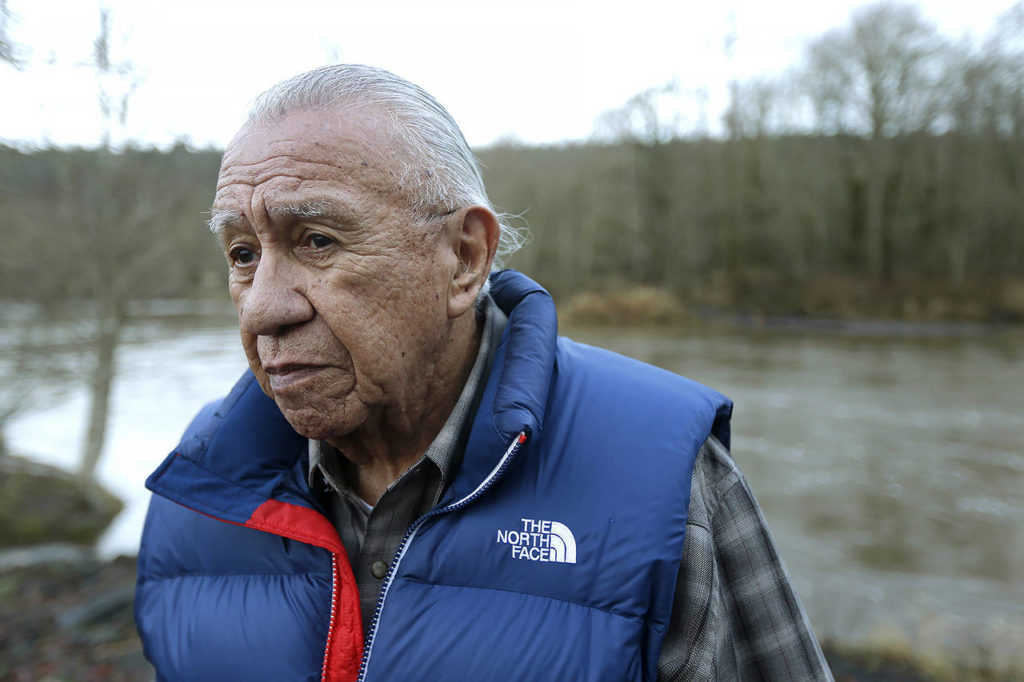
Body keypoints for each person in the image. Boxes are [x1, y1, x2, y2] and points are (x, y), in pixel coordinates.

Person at [134, 64, 833, 682]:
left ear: (464, 258)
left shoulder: (666, 480)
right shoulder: (196, 488)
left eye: (318, 240)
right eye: (242, 254)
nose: (263, 310)